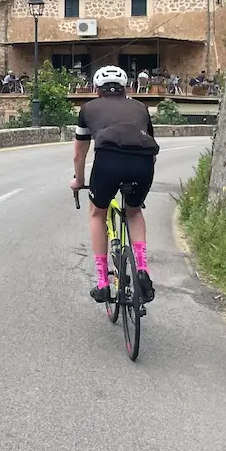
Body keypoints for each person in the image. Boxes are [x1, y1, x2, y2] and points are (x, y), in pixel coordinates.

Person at [70, 65, 161, 304]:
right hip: (143, 164)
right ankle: (142, 268)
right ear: (126, 89)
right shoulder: (140, 107)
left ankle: (102, 283)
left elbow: (80, 154)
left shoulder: (88, 108)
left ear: (97, 90)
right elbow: (151, 150)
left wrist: (79, 181)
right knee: (134, 210)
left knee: (96, 214)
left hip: (108, 161)